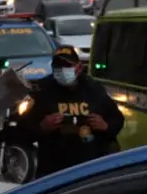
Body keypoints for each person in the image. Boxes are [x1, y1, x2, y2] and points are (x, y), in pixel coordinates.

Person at [20, 45, 124, 178]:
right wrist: (41, 127)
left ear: (79, 67)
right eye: (58, 67)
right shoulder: (41, 91)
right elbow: (21, 129)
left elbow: (118, 120)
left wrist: (105, 126)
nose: (62, 71)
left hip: (89, 168)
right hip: (52, 170)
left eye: (67, 66)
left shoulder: (93, 89)